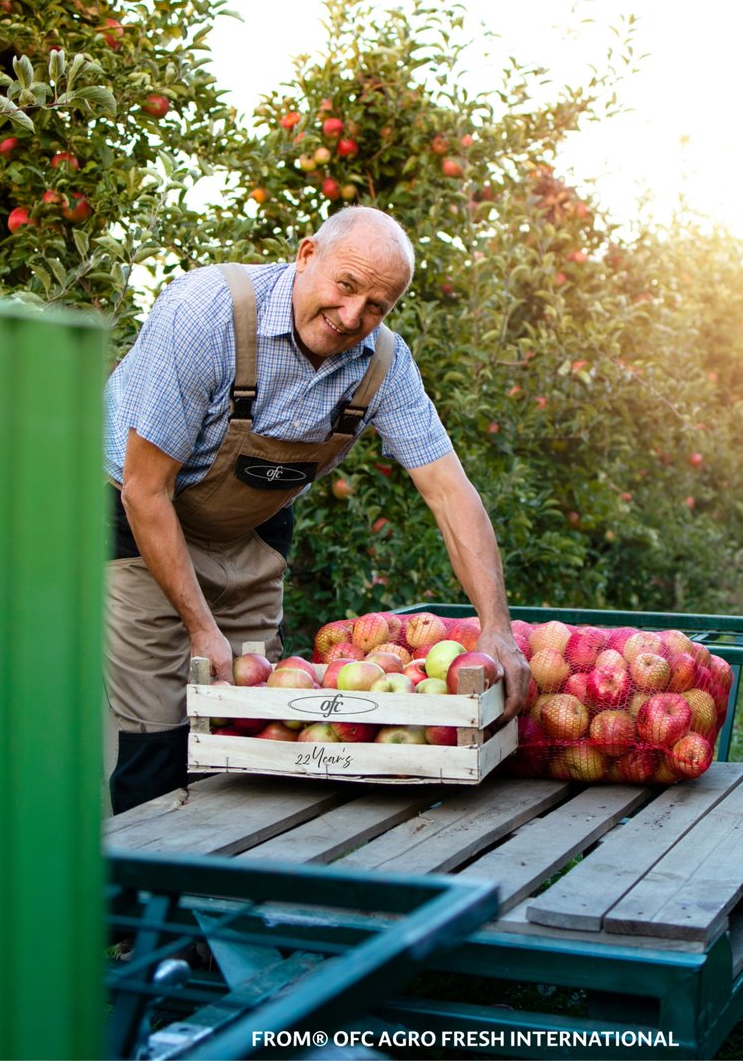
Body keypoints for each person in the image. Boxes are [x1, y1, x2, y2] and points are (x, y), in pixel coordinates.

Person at [103, 206, 531, 814]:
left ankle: (232, 901)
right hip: (140, 521)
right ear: (307, 255)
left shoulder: (383, 363)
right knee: (159, 729)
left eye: (377, 305)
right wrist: (203, 627)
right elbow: (145, 490)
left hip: (250, 534)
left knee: (255, 730)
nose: (353, 316)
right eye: (346, 286)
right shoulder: (207, 314)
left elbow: (448, 489)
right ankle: (143, 901)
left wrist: (496, 626)